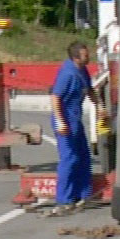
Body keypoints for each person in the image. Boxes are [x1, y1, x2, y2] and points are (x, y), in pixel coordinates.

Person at [48, 41, 98, 216]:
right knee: (69, 158)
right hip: (65, 119)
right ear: (76, 57)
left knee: (83, 156)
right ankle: (64, 199)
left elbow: (89, 90)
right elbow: (55, 97)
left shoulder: (82, 70)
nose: (89, 57)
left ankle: (82, 194)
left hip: (75, 119)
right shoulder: (68, 74)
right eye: (85, 55)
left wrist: (100, 106)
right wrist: (60, 122)